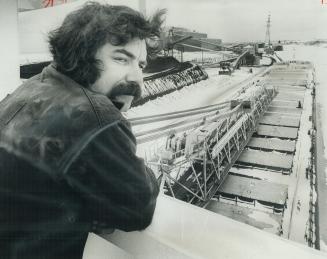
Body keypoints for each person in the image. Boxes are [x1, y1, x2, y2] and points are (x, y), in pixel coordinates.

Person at [0, 2, 165, 258]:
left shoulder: (31, 87)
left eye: (141, 65)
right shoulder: (95, 115)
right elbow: (138, 207)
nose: (136, 78)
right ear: (81, 54)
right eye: (121, 58)